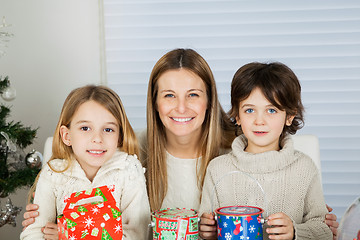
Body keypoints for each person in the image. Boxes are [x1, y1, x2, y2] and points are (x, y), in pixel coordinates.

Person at [21, 49, 339, 238]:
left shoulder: (241, 150)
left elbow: (292, 200)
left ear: (210, 102)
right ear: (155, 103)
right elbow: (78, 188)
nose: (182, 107)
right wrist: (47, 219)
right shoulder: (126, 155)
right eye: (169, 95)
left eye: (193, 95)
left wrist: (311, 228)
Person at [199, 62, 333, 239]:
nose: (259, 121)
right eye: (249, 110)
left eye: (271, 110)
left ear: (290, 116)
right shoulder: (217, 169)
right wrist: (205, 232)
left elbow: (324, 231)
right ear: (237, 116)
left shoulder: (305, 169)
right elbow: (204, 226)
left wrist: (295, 232)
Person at [20, 85, 150, 240]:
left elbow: (136, 235)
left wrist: (71, 235)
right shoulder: (53, 173)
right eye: (85, 128)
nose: (97, 138)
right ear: (67, 135)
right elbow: (35, 233)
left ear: (119, 137)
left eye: (108, 129)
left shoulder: (128, 170)